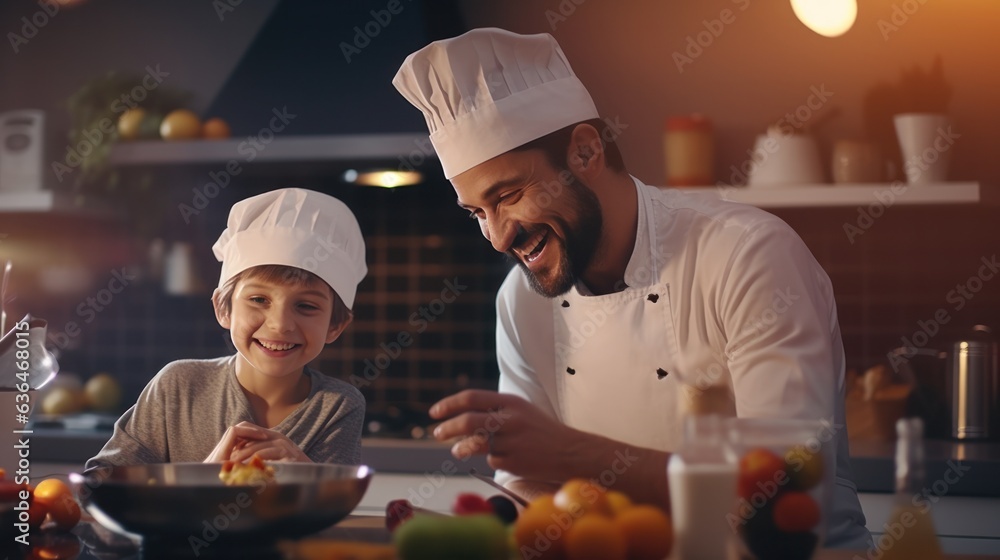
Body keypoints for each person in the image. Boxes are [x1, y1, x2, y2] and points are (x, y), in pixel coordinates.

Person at [393, 28, 871, 548]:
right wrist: (477, 531)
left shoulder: (746, 255)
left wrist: (572, 456)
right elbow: (529, 487)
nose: (499, 236)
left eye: (508, 196)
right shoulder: (521, 299)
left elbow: (785, 497)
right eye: (477, 214)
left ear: (584, 152)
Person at [86, 188, 367, 468]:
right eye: (259, 300)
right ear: (223, 307)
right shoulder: (178, 387)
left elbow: (331, 508)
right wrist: (205, 478)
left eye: (306, 306)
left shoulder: (337, 406)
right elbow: (100, 485)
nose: (280, 325)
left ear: (336, 325)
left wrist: (305, 472)